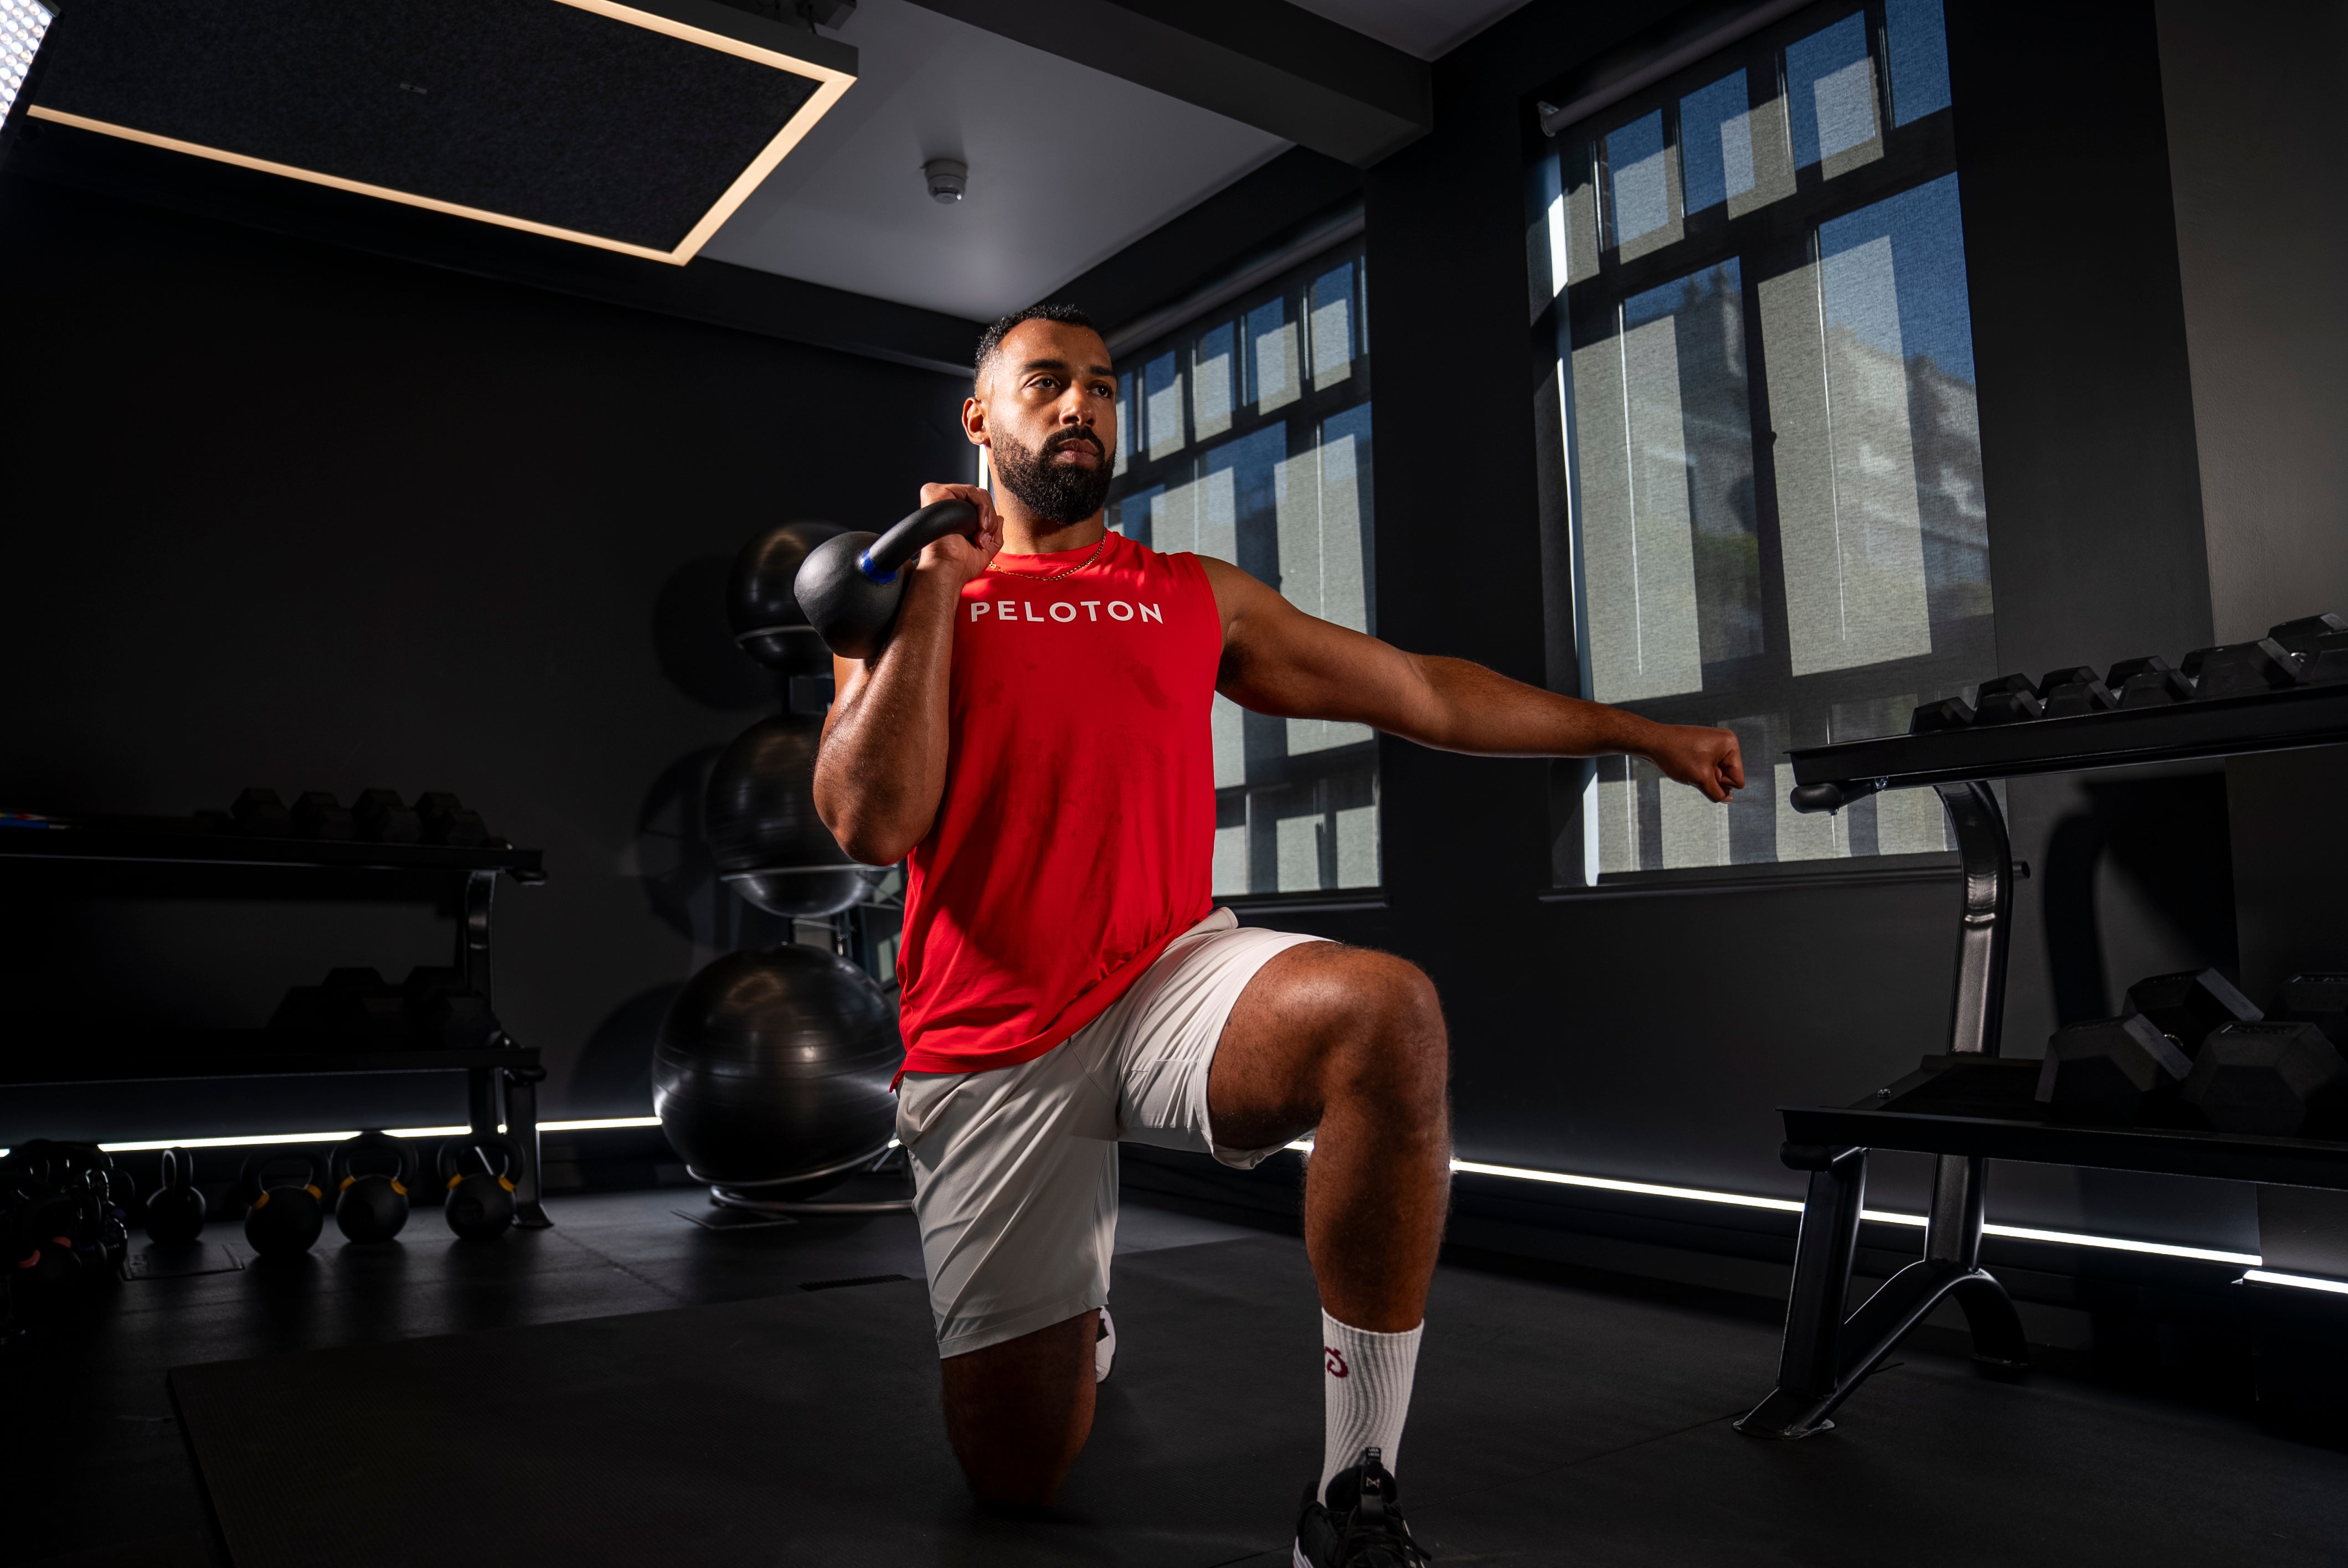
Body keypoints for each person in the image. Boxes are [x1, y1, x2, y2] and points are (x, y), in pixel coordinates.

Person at [814, 303, 1742, 1566]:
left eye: (1100, 384)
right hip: (989, 1041)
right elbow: (871, 824)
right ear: (979, 419)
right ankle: (1073, 1315)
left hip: (1162, 976)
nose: (1081, 403)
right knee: (1016, 1480)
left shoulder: (1189, 596)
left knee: (1383, 1010)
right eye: (1046, 383)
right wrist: (931, 589)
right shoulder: (903, 599)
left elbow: (1421, 690)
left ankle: (1354, 1486)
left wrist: (1636, 734)